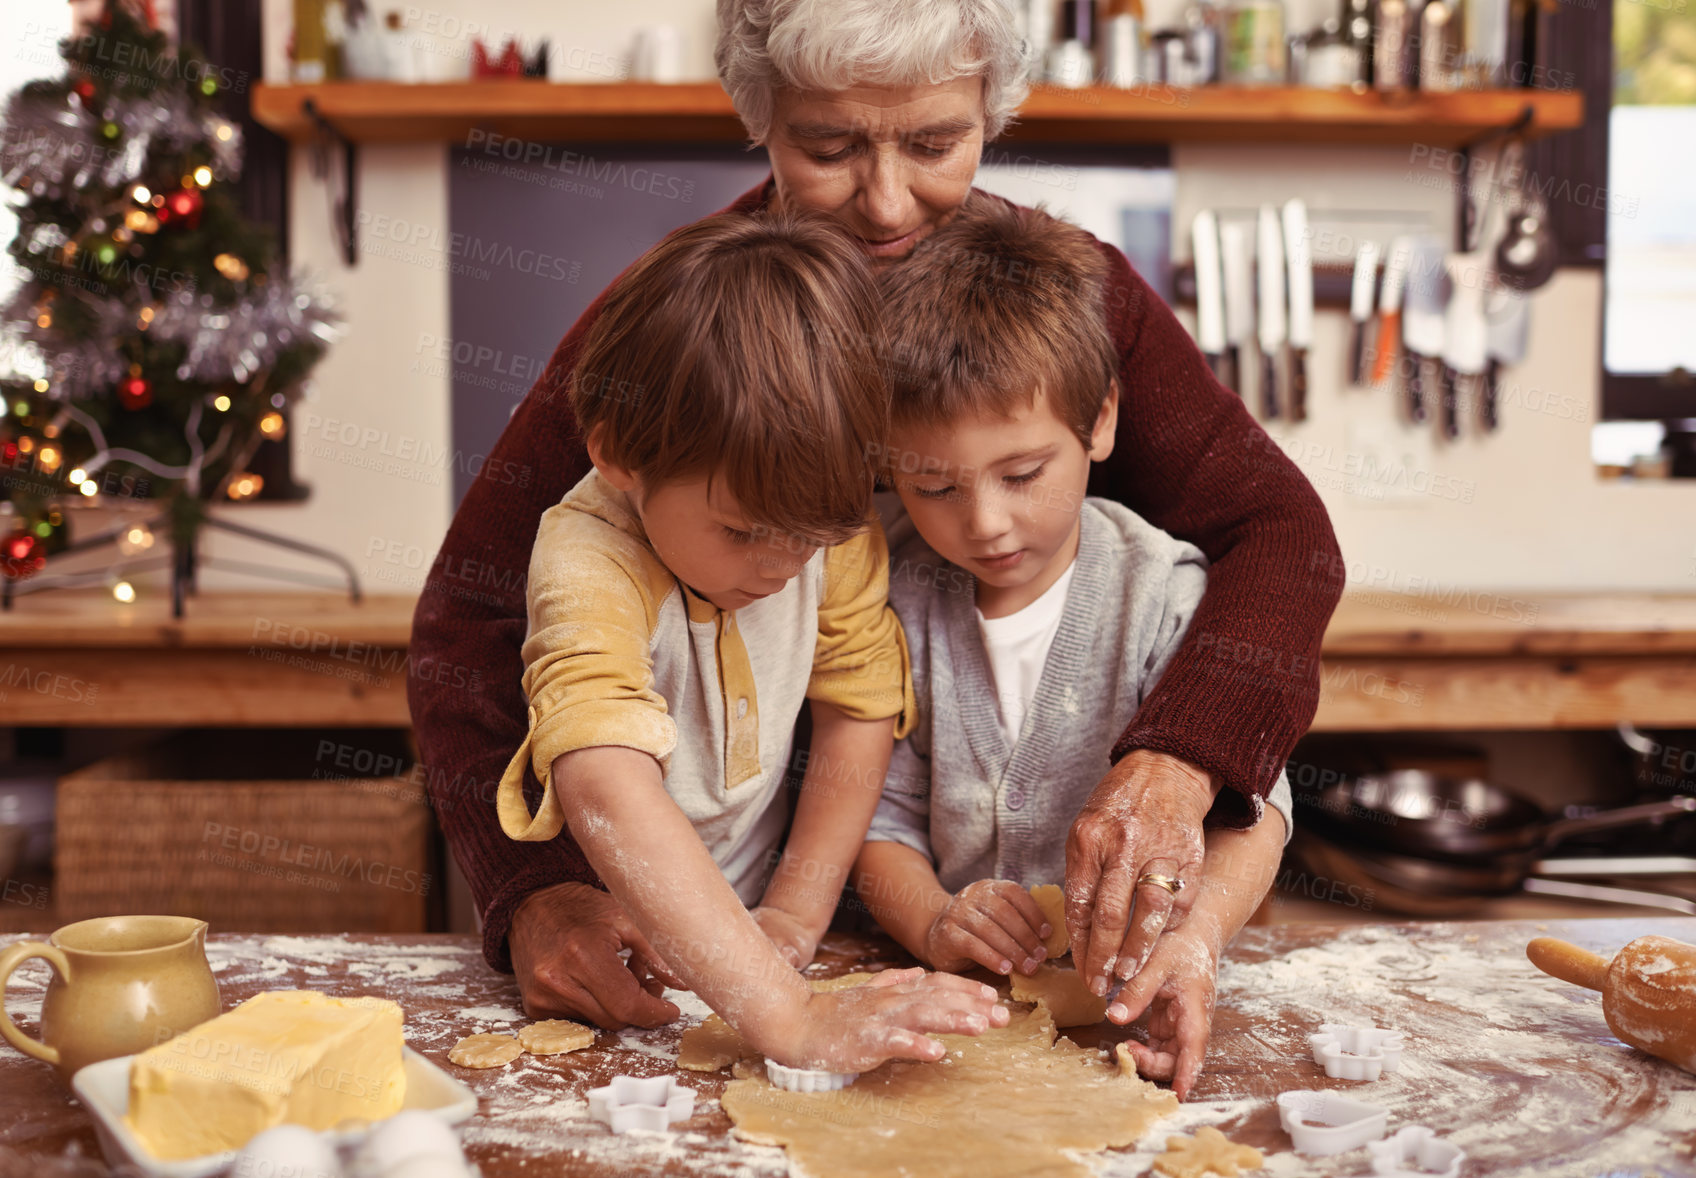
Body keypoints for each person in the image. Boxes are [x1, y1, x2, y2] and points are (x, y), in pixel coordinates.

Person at [407, 0, 1343, 1029]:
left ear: (992, 110)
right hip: (712, 932)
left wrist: (1177, 760)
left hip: (953, 925)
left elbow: (1280, 535)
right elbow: (469, 618)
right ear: (761, 119)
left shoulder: (1067, 302)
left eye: (935, 143)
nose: (888, 203)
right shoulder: (683, 324)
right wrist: (533, 888)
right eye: (829, 146)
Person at [491, 210, 1006, 1071]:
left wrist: (796, 917)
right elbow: (604, 783)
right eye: (740, 532)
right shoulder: (588, 560)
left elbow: (857, 709)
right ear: (621, 456)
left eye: (804, 538)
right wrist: (792, 1020)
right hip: (614, 947)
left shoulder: (822, 527)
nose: (780, 566)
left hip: (755, 937)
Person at [854, 198, 1293, 1099]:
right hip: (954, 1026)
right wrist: (937, 921)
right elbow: (871, 819)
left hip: (1130, 1008)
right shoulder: (888, 599)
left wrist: (1193, 939)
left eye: (1022, 475)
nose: (983, 523)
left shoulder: (1160, 591)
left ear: (1098, 422)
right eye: (933, 486)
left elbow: (1258, 811)